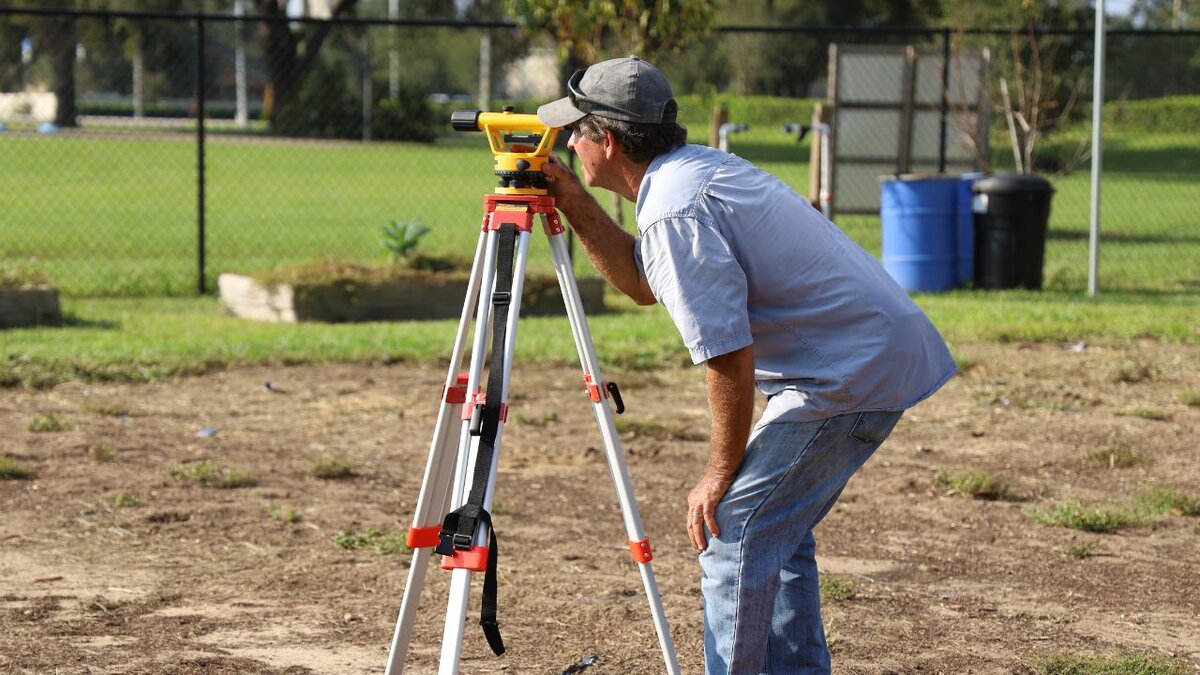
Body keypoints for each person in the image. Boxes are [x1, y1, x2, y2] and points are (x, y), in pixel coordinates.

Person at [536, 56, 956, 675]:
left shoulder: (675, 208)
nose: (568, 142)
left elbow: (727, 352)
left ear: (611, 140)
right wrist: (570, 199)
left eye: (577, 131)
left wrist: (717, 471)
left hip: (843, 375)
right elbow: (642, 282)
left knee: (732, 530)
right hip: (861, 359)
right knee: (772, 536)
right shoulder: (690, 172)